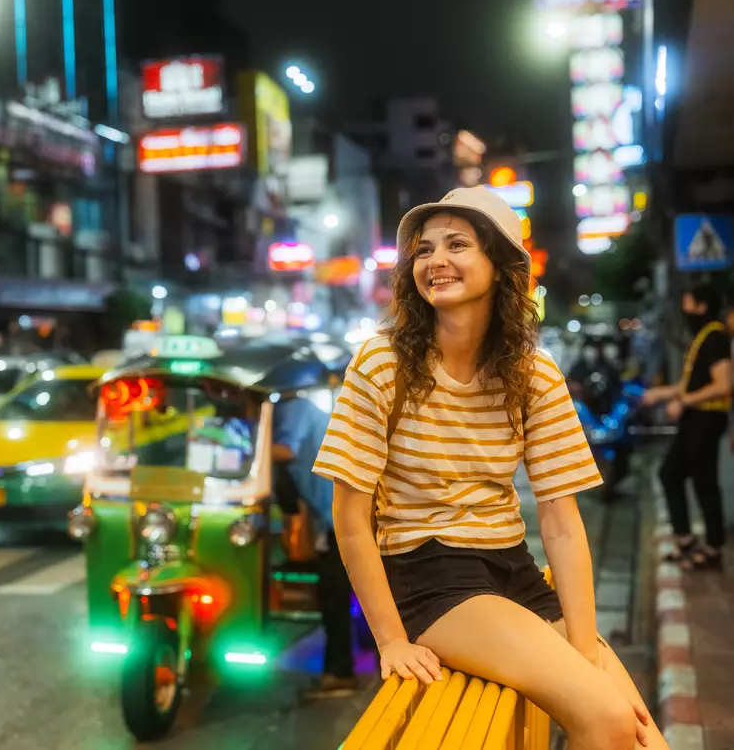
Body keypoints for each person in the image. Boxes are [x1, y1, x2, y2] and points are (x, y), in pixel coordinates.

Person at [313, 187, 662, 749]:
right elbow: (351, 518)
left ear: (501, 266)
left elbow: (562, 522)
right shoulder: (382, 361)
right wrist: (391, 641)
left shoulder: (533, 372)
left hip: (513, 568)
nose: (436, 261)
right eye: (424, 250)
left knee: (644, 734)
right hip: (430, 573)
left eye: (457, 245)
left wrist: (585, 645)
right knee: (606, 718)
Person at [271, 392, 357, 698]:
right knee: (333, 596)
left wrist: (241, 446)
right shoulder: (295, 408)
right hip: (331, 515)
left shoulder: (294, 409)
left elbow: (285, 451)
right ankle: (338, 671)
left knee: (334, 598)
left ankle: (341, 675)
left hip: (338, 516)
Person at [643, 285, 731, 571]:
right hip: (695, 419)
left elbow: (724, 385)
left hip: (707, 420)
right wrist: (664, 394)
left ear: (702, 306)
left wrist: (684, 402)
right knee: (670, 473)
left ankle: (714, 547)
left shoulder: (715, 337)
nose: (685, 310)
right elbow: (692, 384)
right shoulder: (703, 337)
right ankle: (684, 538)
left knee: (705, 483)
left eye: (688, 303)